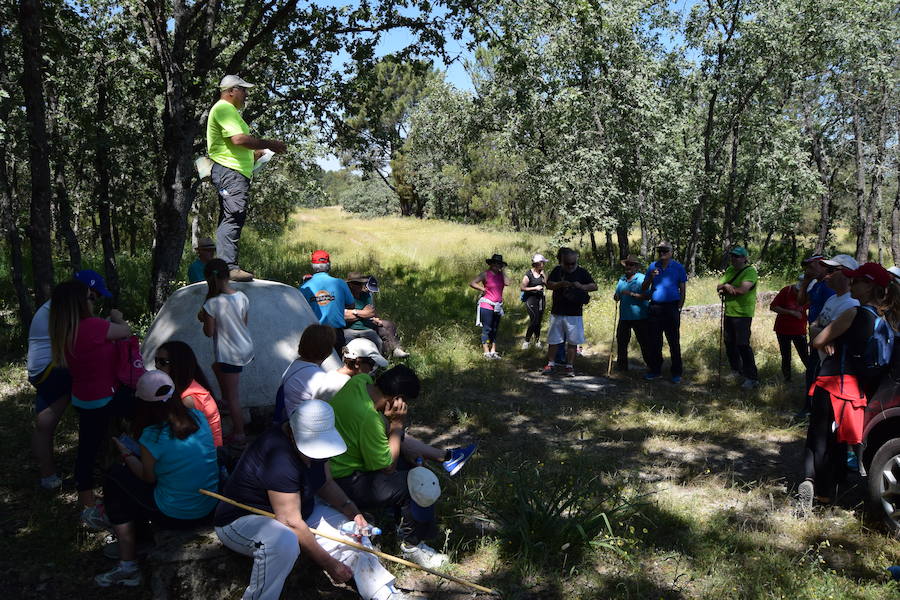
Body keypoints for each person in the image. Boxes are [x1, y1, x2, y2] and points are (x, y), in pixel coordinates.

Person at [215, 399, 414, 600]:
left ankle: (384, 593)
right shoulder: (279, 457)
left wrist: (353, 512)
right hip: (244, 519)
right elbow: (290, 522)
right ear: (293, 435)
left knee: (353, 533)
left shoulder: (318, 438)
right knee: (283, 543)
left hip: (300, 510)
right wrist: (329, 563)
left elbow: (325, 483)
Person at [328, 365, 474, 568]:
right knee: (420, 483)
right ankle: (412, 545)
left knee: (407, 461)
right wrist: (397, 425)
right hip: (344, 482)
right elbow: (387, 467)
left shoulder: (360, 382)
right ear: (398, 399)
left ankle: (400, 519)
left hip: (334, 466)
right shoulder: (368, 419)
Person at [94, 370, 219, 587]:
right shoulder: (198, 417)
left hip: (176, 514)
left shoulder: (152, 435)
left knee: (116, 477)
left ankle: (127, 564)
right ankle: (138, 539)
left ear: (143, 405)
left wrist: (126, 454)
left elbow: (147, 477)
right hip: (209, 505)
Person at [799, 263, 898, 512]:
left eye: (856, 281)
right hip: (856, 390)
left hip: (832, 383)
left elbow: (817, 340)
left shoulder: (854, 313)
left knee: (819, 440)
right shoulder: (883, 319)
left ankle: (815, 490)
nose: (851, 284)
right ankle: (831, 491)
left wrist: (820, 332)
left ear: (870, 286)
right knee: (838, 440)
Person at [49, 280, 132, 524]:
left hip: (83, 398)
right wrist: (117, 318)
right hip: (105, 398)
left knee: (86, 450)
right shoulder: (94, 327)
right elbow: (125, 331)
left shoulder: (65, 329)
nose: (93, 301)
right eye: (91, 297)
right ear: (81, 303)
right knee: (144, 412)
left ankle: (87, 503)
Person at [29, 269, 112, 490]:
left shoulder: (56, 306)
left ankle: (50, 474)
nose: (95, 301)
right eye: (93, 296)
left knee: (44, 424)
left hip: (45, 367)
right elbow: (91, 335)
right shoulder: (65, 307)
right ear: (83, 293)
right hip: (51, 369)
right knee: (49, 422)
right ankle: (80, 468)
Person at [207, 74, 287, 282]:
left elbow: (234, 146)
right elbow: (238, 139)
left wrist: (256, 155)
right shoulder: (224, 109)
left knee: (233, 216)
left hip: (233, 172)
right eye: (243, 90)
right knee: (234, 216)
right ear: (231, 91)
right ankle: (229, 268)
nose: (246, 94)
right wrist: (269, 144)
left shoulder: (229, 111)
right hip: (230, 172)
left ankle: (225, 266)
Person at [200, 258, 254, 446]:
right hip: (244, 347)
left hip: (230, 353)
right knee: (216, 366)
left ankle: (239, 433)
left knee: (233, 397)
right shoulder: (242, 297)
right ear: (228, 276)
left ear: (209, 279)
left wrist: (204, 319)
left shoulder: (212, 303)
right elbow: (243, 323)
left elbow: (209, 333)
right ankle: (224, 399)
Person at [154, 340, 223, 447]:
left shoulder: (188, 399)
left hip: (206, 452)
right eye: (156, 360)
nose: (157, 366)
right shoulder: (184, 386)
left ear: (179, 364)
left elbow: (183, 437)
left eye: (163, 362)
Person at [274, 325, 347, 424]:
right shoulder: (317, 377)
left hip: (289, 420)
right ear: (327, 351)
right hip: (302, 426)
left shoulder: (296, 364)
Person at [541, 249, 597, 377]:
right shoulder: (557, 270)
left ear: (576, 261)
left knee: (573, 341)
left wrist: (581, 286)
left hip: (575, 313)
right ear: (562, 261)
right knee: (553, 340)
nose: (570, 266)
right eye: (567, 264)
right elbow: (549, 285)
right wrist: (560, 284)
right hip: (557, 311)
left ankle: (569, 366)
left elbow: (594, 286)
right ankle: (551, 364)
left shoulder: (582, 272)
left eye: (573, 263)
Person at [641, 241, 688, 383]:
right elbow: (644, 287)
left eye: (665, 250)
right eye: (659, 251)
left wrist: (679, 307)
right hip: (655, 307)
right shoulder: (652, 266)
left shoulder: (678, 267)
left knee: (673, 341)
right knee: (655, 342)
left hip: (671, 308)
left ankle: (676, 373)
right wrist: (651, 277)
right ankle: (655, 370)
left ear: (671, 252)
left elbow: (683, 290)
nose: (662, 253)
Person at [715, 247, 759, 389]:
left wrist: (728, 288)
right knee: (729, 343)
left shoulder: (750, 271)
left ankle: (752, 377)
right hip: (729, 312)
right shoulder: (729, 270)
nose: (734, 258)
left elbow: (742, 290)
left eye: (737, 256)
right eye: (732, 256)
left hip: (743, 314)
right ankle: (736, 370)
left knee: (743, 345)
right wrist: (726, 286)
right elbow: (719, 286)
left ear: (744, 258)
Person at [299, 250, 355, 353]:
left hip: (314, 333)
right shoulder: (340, 283)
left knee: (316, 361)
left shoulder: (304, 287)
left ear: (312, 265)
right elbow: (351, 305)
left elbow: (300, 311)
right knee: (337, 362)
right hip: (335, 333)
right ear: (328, 264)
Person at [343, 273, 409, 358]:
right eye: (357, 283)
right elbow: (343, 316)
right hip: (350, 329)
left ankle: (389, 355)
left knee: (380, 340)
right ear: (350, 284)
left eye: (361, 283)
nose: (360, 286)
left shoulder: (366, 296)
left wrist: (354, 313)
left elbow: (371, 312)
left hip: (367, 328)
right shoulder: (343, 296)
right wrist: (364, 313)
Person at [469, 254, 512, 359]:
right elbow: (472, 283)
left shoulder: (501, 275)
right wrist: (482, 289)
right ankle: (486, 352)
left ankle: (493, 351)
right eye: (495, 263)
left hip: (497, 306)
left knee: (495, 329)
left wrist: (503, 271)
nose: (497, 266)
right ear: (491, 264)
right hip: (487, 305)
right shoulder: (485, 274)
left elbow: (508, 283)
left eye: (499, 264)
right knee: (487, 329)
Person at [613, 254, 650, 372]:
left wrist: (632, 294)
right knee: (621, 341)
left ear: (636, 267)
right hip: (624, 317)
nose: (628, 266)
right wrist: (616, 296)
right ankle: (622, 368)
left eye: (631, 265)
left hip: (640, 316)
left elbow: (648, 296)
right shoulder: (622, 279)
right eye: (627, 264)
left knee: (644, 342)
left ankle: (652, 366)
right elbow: (617, 294)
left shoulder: (642, 278)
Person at [770, 278, 810, 383]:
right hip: (782, 329)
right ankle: (787, 379)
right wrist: (791, 312)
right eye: (797, 290)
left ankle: (813, 377)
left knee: (805, 355)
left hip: (799, 330)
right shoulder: (786, 291)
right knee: (786, 356)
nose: (798, 293)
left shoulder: (810, 293)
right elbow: (773, 307)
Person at [520, 254, 548, 349]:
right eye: (542, 263)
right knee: (534, 320)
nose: (544, 264)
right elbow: (522, 287)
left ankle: (537, 341)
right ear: (537, 264)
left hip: (541, 299)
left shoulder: (542, 273)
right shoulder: (529, 274)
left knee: (539, 321)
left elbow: (548, 285)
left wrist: (544, 276)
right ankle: (526, 342)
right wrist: (535, 288)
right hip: (530, 299)